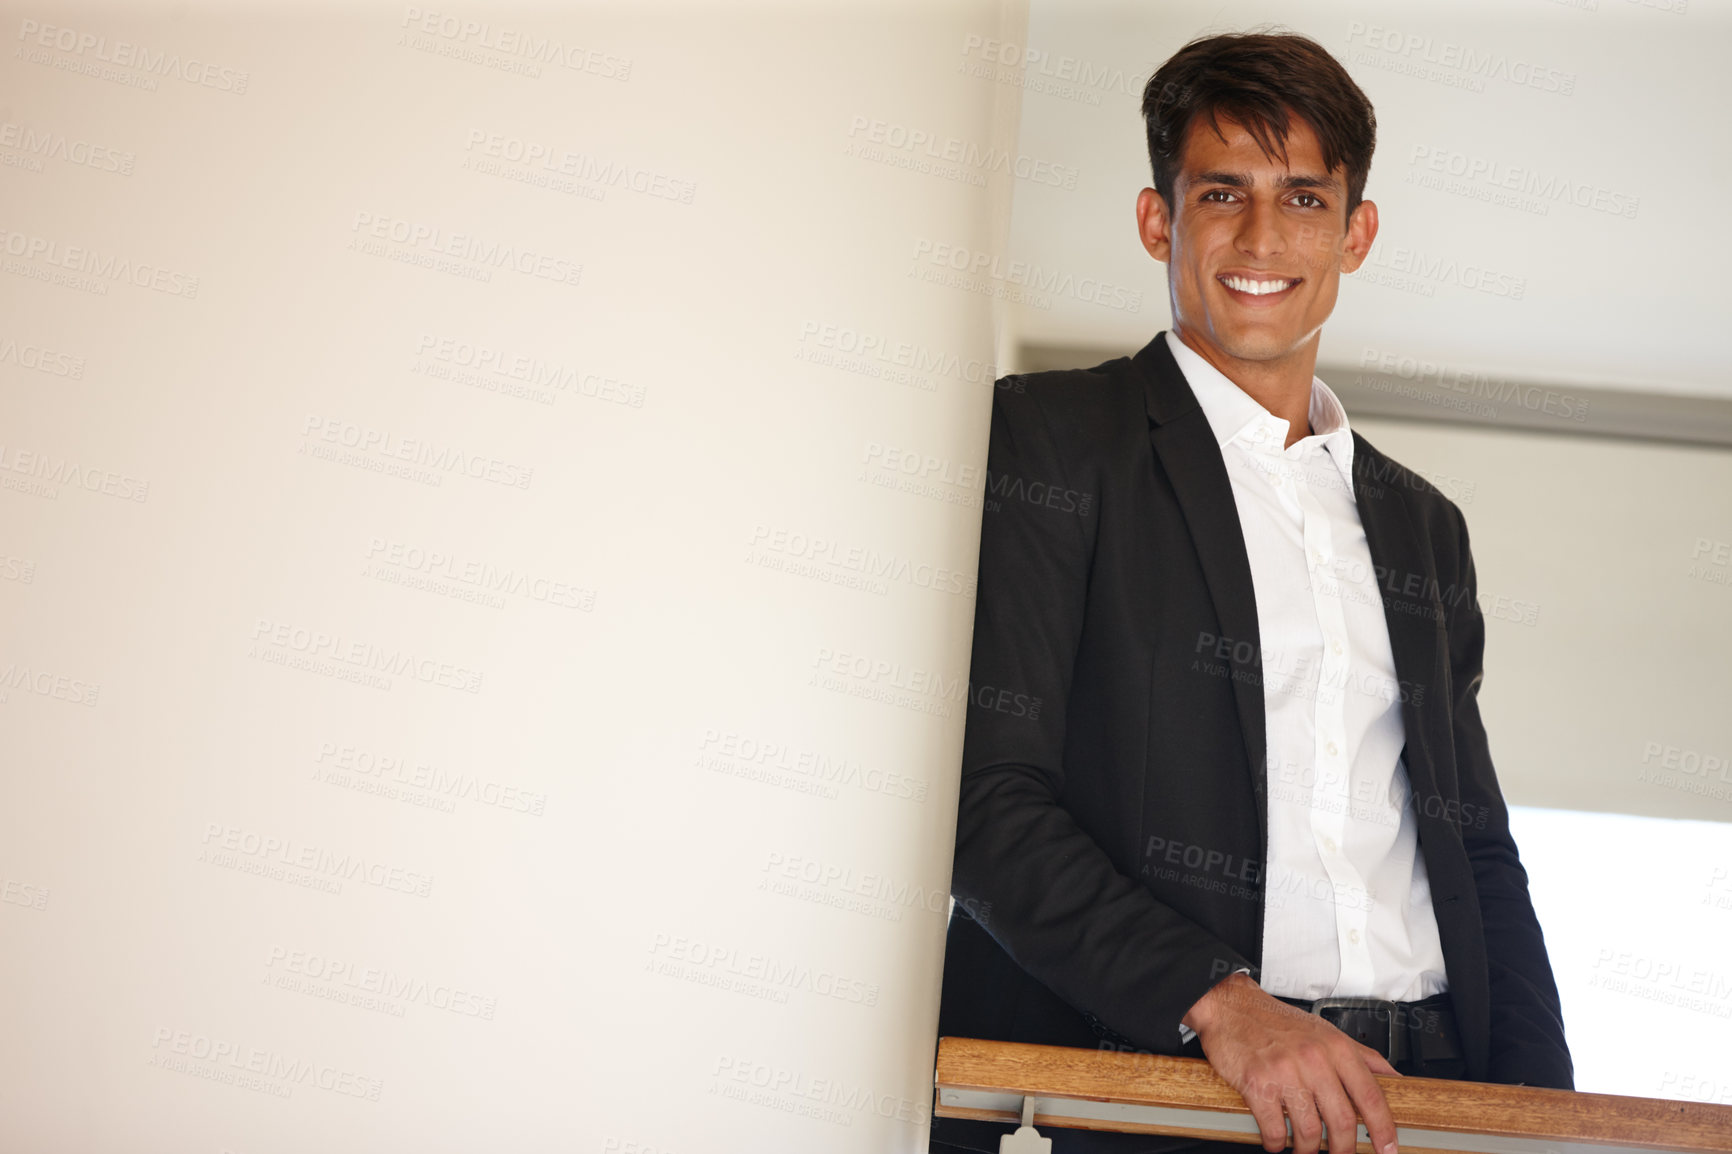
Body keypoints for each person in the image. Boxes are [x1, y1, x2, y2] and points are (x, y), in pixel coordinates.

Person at [930, 30, 1572, 1154]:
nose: (1262, 237)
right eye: (1221, 191)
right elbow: (987, 801)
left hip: (1428, 1088)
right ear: (1156, 219)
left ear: (1355, 233)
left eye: (1304, 198)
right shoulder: (1053, 441)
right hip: (1172, 1077)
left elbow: (1472, 847)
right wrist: (1221, 1001)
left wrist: (1545, 1117)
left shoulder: (1423, 522)